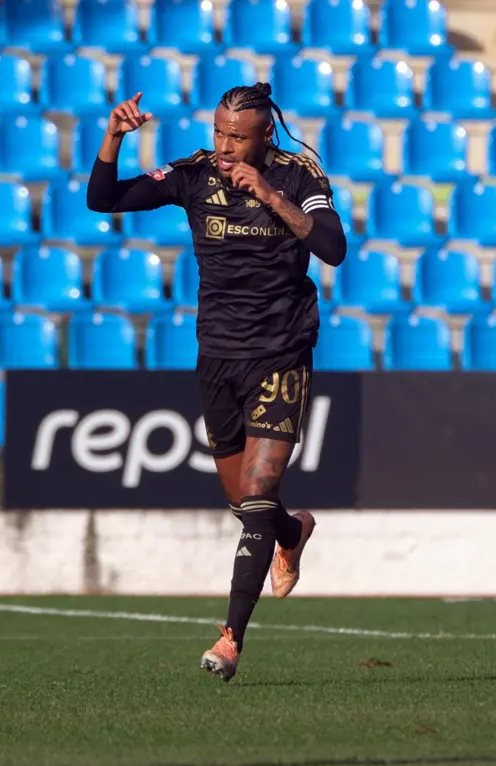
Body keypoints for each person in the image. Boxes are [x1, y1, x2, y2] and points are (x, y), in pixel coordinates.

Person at [87, 83, 348, 682]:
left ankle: (230, 638)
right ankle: (292, 530)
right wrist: (113, 139)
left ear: (265, 136)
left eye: (238, 136)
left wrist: (271, 196)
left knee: (257, 494)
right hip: (219, 358)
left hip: (282, 354)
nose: (225, 146)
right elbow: (103, 200)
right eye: (219, 132)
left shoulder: (299, 176)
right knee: (245, 505)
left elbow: (332, 248)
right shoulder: (195, 174)